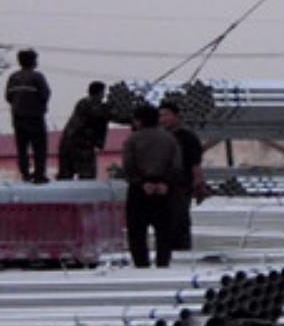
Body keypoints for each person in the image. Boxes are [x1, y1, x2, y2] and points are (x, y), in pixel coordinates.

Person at [122, 104, 182, 268]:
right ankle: (163, 263)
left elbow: (128, 166)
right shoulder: (170, 139)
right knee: (164, 231)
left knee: (137, 231)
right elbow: (177, 165)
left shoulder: (132, 140)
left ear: (139, 121)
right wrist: (165, 182)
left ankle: (142, 264)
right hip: (164, 190)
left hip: (139, 190)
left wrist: (142, 183)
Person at [158, 100, 205, 251]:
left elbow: (195, 163)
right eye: (160, 115)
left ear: (176, 116)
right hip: (160, 186)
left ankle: (181, 250)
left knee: (179, 219)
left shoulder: (188, 138)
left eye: (167, 115)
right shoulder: (158, 138)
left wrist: (198, 182)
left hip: (181, 186)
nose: (163, 119)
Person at [5, 48, 51, 183]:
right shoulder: (37, 77)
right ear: (33, 61)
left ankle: (25, 173)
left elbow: (8, 97)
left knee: (22, 147)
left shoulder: (13, 77)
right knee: (39, 147)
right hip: (35, 117)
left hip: (18, 118)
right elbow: (45, 94)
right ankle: (39, 175)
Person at [57, 81, 111, 180]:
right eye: (103, 93)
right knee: (87, 178)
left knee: (65, 177)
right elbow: (103, 114)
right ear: (99, 93)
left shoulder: (83, 103)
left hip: (70, 145)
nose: (104, 96)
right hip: (80, 146)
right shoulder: (91, 106)